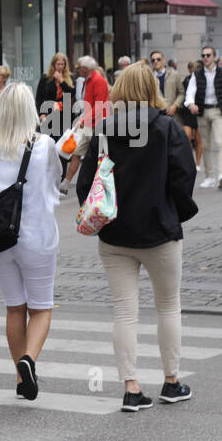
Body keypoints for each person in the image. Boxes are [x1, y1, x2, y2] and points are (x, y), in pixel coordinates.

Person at [78, 63, 196, 412]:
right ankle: (171, 382)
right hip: (160, 229)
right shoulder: (167, 128)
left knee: (125, 312)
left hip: (115, 233)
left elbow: (87, 183)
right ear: (152, 89)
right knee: (168, 305)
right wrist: (175, 211)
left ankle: (131, 388)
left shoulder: (104, 129)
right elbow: (183, 177)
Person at [0, 83, 61, 399]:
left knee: (14, 308)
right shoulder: (45, 145)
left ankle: (22, 380)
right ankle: (29, 360)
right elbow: (55, 182)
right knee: (41, 308)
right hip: (37, 237)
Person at [185, 45, 222, 190]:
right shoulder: (197, 74)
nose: (205, 58)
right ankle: (210, 176)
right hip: (203, 111)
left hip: (218, 111)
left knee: (219, 142)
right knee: (205, 144)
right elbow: (190, 92)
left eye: (208, 55)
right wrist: (191, 104)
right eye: (203, 55)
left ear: (214, 56)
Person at [62, 57, 109, 190]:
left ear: (85, 69)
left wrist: (84, 119)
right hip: (90, 123)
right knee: (78, 152)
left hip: (98, 125)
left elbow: (99, 106)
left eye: (79, 67)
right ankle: (65, 183)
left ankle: (102, 185)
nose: (77, 70)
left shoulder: (97, 80)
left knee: (100, 156)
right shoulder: (87, 81)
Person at [35, 53, 76, 142]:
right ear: (53, 65)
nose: (60, 67)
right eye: (58, 64)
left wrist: (62, 81)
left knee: (63, 144)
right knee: (49, 141)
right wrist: (41, 114)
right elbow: (39, 98)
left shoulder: (70, 77)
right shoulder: (46, 78)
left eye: (62, 64)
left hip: (65, 117)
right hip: (49, 115)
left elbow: (71, 93)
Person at [174, 60, 202, 171]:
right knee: (187, 136)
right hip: (187, 111)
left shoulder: (202, 79)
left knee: (200, 139)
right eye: (191, 69)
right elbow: (182, 93)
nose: (192, 71)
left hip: (200, 110)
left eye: (195, 69)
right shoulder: (186, 80)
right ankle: (189, 159)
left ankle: (198, 163)